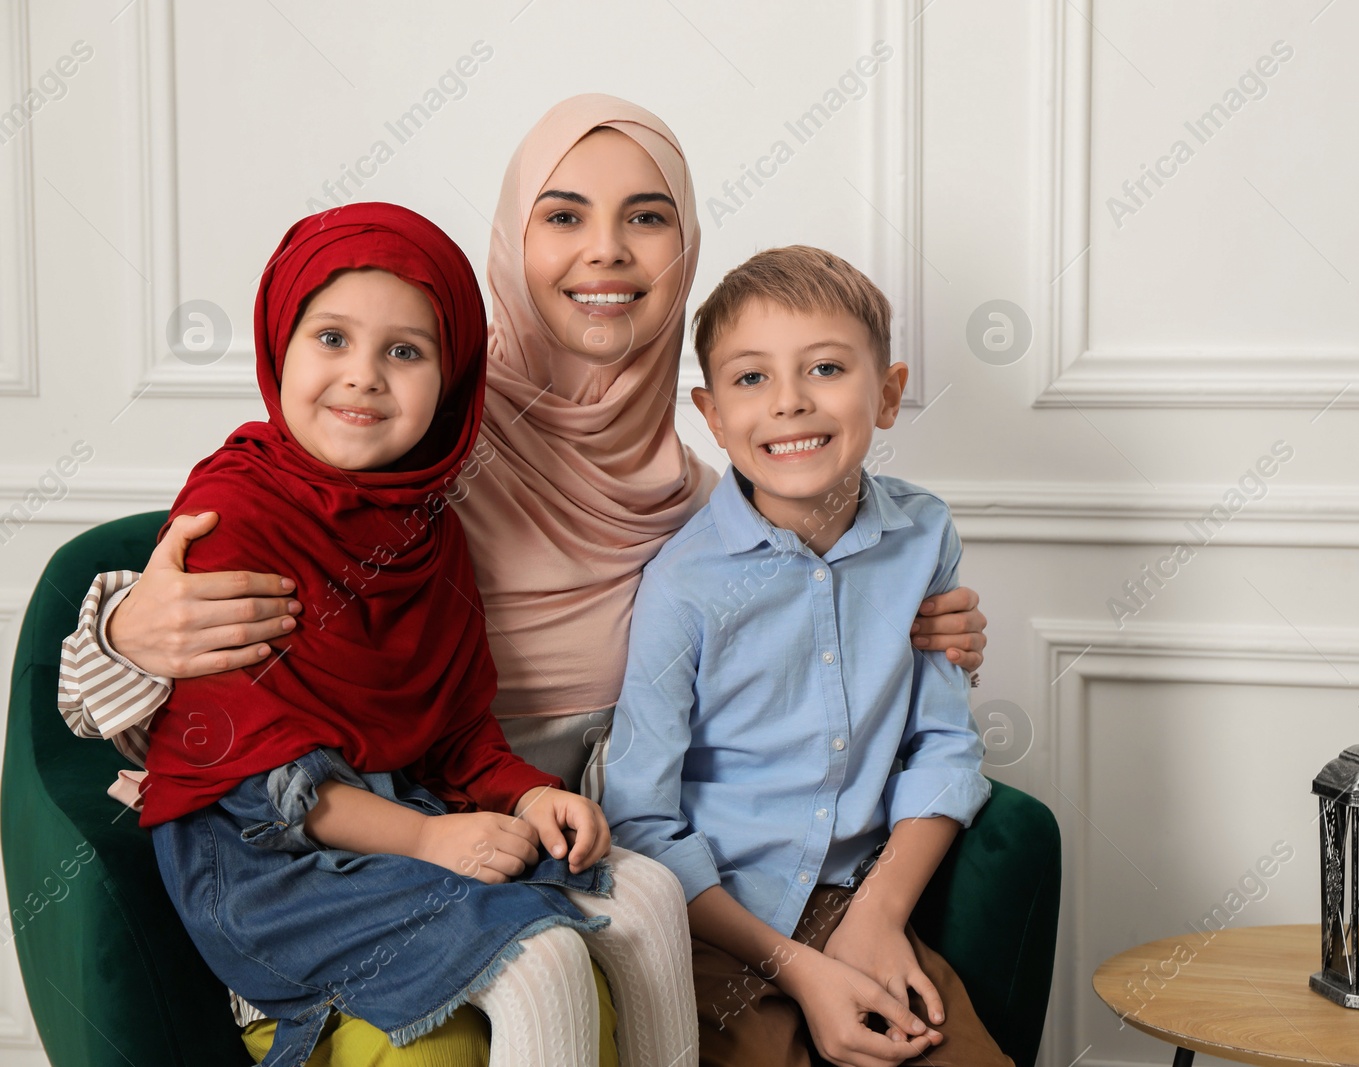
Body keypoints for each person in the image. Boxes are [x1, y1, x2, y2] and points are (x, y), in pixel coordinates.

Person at [58, 94, 988, 1064]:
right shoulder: (423, 450)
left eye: (647, 215)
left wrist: (928, 628)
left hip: (584, 837)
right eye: (563, 213)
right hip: (381, 842)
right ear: (511, 238)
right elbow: (178, 678)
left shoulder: (714, 501)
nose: (608, 250)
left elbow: (826, 660)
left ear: (686, 247)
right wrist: (126, 629)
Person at [132, 202, 695, 1067]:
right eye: (331, 339)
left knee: (650, 890)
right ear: (279, 342)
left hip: (404, 825)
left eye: (405, 351)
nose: (363, 376)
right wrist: (432, 838)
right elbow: (259, 783)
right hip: (266, 870)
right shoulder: (234, 513)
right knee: (540, 958)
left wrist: (528, 796)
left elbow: (460, 732)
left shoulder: (426, 529)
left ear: (452, 380)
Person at [603, 245, 1011, 1066]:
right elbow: (643, 819)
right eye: (752, 378)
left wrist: (878, 915)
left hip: (858, 904)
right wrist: (796, 967)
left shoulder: (923, 535)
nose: (789, 403)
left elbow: (942, 743)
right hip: (717, 927)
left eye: (824, 367)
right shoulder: (683, 584)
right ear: (712, 415)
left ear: (887, 394)